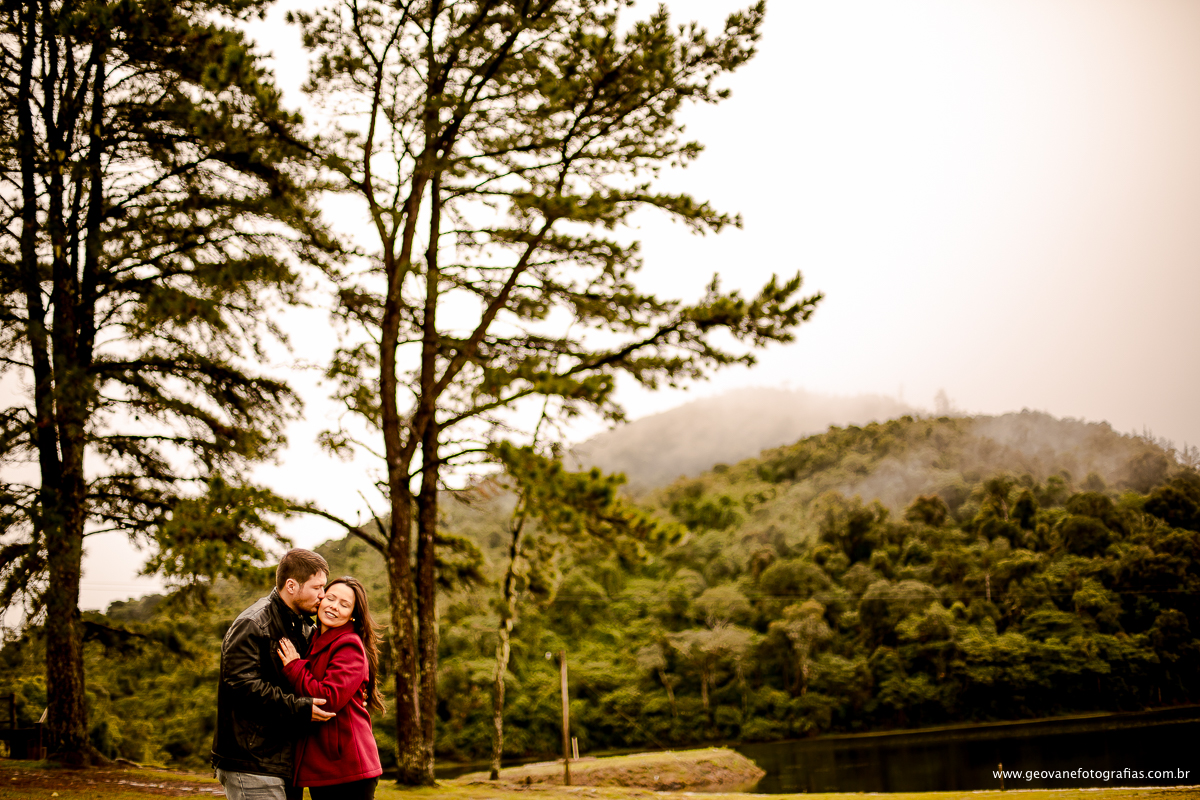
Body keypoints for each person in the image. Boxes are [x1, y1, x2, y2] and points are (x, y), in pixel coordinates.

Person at [212, 548, 337, 800]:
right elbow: (242, 687)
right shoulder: (254, 623)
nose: (323, 596)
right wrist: (300, 708)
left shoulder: (303, 625)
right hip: (252, 760)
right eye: (317, 588)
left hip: (286, 760)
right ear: (291, 585)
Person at [276, 576, 385, 800]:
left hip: (347, 766)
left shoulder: (348, 644)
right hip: (326, 765)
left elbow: (328, 698)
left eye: (344, 605)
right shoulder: (314, 637)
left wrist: (295, 667)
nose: (334, 606)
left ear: (353, 614)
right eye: (331, 598)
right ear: (321, 599)